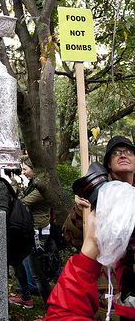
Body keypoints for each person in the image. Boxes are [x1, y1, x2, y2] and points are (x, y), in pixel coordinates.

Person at [63, 135, 135, 321]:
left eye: (128, 152)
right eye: (116, 153)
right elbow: (71, 237)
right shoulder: (94, 198)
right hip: (104, 290)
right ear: (109, 164)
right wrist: (80, 210)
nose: (123, 155)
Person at [45, 210, 135, 320]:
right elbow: (70, 237)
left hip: (121, 296)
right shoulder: (95, 207)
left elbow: (63, 314)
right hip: (96, 291)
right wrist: (80, 209)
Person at [10, 156, 61, 308]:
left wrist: (14, 186)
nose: (23, 172)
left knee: (41, 275)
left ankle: (52, 309)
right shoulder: (33, 185)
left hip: (40, 234)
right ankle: (34, 300)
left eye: (25, 169)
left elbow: (21, 203)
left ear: (34, 169)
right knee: (34, 270)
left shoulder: (40, 188)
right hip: (34, 232)